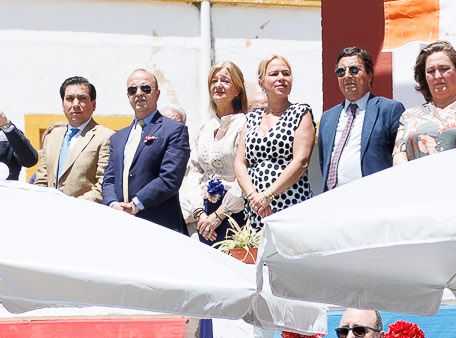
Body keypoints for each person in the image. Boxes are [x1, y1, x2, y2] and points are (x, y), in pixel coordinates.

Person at [98, 67, 191, 232]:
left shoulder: (173, 130)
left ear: (157, 94)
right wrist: (113, 204)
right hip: (121, 224)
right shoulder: (118, 137)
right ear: (128, 96)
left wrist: (136, 204)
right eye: (132, 90)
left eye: (145, 88)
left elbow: (170, 178)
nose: (139, 93)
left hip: (160, 225)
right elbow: (109, 179)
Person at [237, 54, 316, 233]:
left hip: (290, 204)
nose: (281, 78)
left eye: (286, 74)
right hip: (256, 208)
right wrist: (254, 196)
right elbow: (240, 163)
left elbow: (301, 161)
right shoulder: (252, 117)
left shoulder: (301, 113)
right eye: (274, 74)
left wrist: (268, 195)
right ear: (261, 82)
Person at [183, 59, 253, 239]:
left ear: (237, 89)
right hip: (205, 214)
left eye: (225, 81)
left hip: (235, 214)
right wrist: (200, 213)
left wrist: (220, 214)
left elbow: (247, 172)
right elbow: (194, 171)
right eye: (214, 81)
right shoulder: (204, 128)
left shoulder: (246, 124)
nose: (218, 85)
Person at [318, 46, 402, 190]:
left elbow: (399, 159)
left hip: (373, 197)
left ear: (369, 75)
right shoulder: (327, 117)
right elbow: (323, 161)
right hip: (334, 199)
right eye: (341, 71)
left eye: (354, 70)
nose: (347, 76)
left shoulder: (389, 109)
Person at [393, 41, 456, 161]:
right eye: (430, 71)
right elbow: (399, 155)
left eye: (444, 69)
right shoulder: (409, 116)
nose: (437, 76)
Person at [34, 76, 113, 200]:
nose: (75, 104)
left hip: (84, 213)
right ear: (63, 104)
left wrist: (73, 206)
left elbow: (103, 185)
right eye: (70, 99)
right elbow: (41, 180)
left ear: (93, 104)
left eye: (82, 98)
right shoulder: (52, 137)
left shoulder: (106, 137)